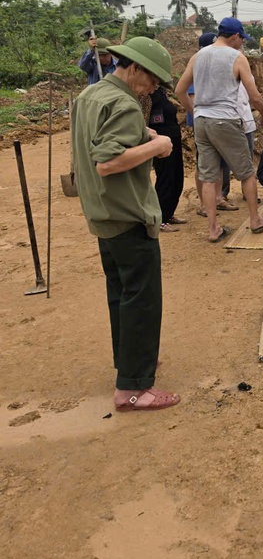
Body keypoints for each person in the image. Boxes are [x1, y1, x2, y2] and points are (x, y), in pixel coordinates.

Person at [71, 36, 180, 412]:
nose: (154, 88)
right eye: (152, 80)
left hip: (103, 212)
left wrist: (143, 135)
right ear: (133, 68)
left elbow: (95, 144)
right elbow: (107, 161)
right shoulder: (125, 105)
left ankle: (130, 363)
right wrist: (157, 145)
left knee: (121, 295)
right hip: (128, 213)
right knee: (143, 298)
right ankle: (134, 388)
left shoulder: (92, 96)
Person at [175, 17, 263, 242]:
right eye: (242, 38)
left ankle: (213, 229)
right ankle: (255, 220)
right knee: (246, 172)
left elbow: (180, 90)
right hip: (226, 119)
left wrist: (196, 111)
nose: (243, 43)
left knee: (209, 177)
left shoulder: (198, 56)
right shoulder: (236, 58)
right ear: (234, 36)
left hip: (202, 121)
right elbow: (254, 96)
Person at [186, 32, 232, 215]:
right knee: (203, 166)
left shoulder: (212, 65)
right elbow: (191, 96)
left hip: (217, 122)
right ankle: (204, 204)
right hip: (203, 124)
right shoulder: (198, 63)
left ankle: (218, 198)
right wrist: (200, 117)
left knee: (219, 162)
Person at [147, 84, 185, 231]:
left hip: (173, 138)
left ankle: (169, 214)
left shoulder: (161, 91)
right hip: (159, 142)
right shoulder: (145, 95)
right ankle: (160, 219)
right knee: (165, 178)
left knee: (177, 178)